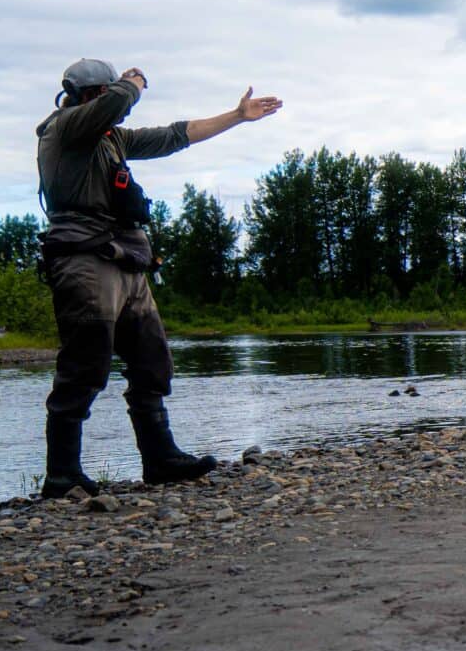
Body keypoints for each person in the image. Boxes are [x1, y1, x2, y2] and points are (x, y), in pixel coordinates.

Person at [36, 60, 282, 498]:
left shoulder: (111, 138)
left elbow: (173, 136)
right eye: (103, 93)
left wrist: (236, 116)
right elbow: (117, 101)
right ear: (84, 95)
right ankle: (62, 475)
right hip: (82, 257)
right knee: (85, 366)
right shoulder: (68, 127)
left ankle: (160, 459)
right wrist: (131, 83)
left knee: (152, 359)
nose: (112, 101)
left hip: (126, 256)